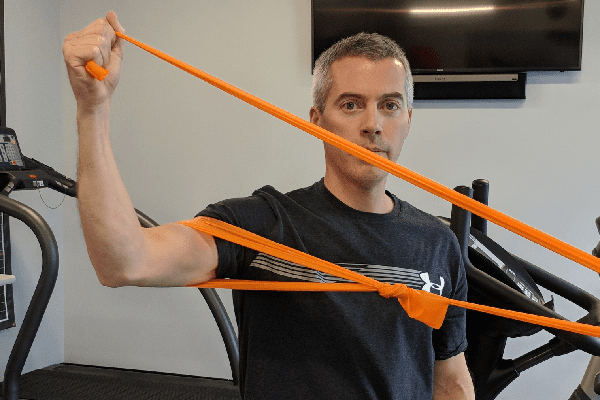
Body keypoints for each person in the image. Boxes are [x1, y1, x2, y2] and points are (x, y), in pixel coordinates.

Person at [63, 11, 475, 400]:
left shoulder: (437, 243)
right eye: (351, 105)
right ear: (316, 120)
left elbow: (451, 380)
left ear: (407, 119)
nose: (373, 124)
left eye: (390, 105)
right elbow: (123, 261)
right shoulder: (264, 224)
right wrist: (93, 108)